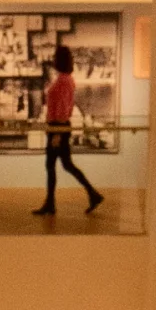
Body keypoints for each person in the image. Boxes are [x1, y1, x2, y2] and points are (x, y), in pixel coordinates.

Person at [33, 44, 104, 216]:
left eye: (56, 57)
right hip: (59, 126)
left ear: (60, 60)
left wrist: (57, 132)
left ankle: (51, 203)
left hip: (58, 126)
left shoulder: (63, 81)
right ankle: (91, 194)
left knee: (52, 165)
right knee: (66, 165)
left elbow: (64, 109)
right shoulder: (67, 79)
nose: (53, 59)